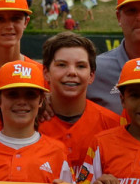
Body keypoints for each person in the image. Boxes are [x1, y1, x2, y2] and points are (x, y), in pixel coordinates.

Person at [0, 58, 72, 184]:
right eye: (13, 94)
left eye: (30, 94)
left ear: (41, 101)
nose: (22, 102)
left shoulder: (58, 153)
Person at [38, 32, 120, 173]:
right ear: (46, 72)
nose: (72, 72)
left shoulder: (113, 125)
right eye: (62, 65)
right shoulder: (29, 121)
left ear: (91, 75)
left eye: (81, 66)